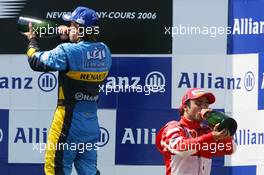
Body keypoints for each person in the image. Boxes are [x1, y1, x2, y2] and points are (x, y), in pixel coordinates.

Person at [22, 6, 112, 175]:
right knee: (89, 172)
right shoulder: (105, 51)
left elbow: (35, 61)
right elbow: (81, 60)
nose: (69, 27)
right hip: (90, 126)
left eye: (71, 25)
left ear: (79, 28)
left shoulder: (67, 51)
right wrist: (68, 39)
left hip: (67, 125)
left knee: (54, 170)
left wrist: (32, 40)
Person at [156, 88, 236, 175]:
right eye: (198, 103)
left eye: (206, 104)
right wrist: (212, 137)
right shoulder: (173, 127)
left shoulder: (207, 131)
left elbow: (230, 149)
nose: (203, 107)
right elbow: (181, 149)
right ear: (185, 107)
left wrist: (222, 131)